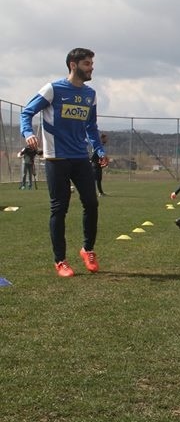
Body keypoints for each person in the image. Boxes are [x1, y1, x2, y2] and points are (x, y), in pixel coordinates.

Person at [20, 47, 108, 277]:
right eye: (87, 64)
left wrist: (99, 149)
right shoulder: (53, 89)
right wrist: (28, 132)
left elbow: (91, 127)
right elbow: (26, 113)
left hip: (80, 157)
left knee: (91, 203)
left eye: (91, 63)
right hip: (56, 158)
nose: (91, 68)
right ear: (73, 65)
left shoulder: (91, 95)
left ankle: (87, 250)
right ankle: (60, 261)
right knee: (59, 209)